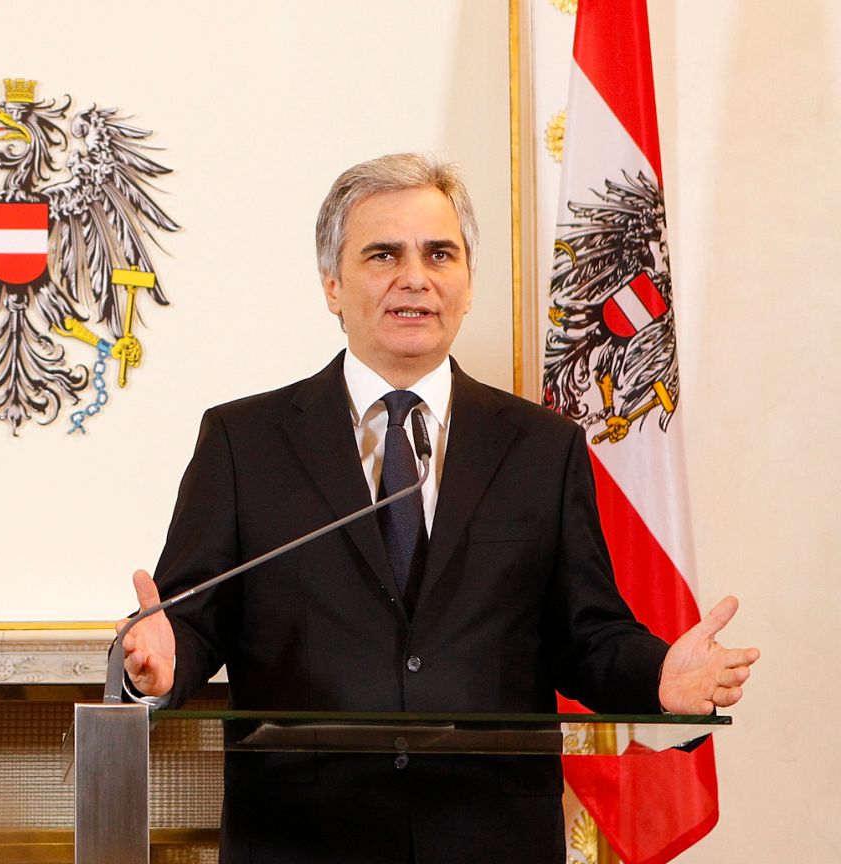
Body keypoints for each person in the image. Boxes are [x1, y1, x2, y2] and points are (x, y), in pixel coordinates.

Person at [117, 153, 759, 864]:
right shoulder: (245, 442)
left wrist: (658, 675)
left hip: (489, 834)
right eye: (383, 254)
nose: (415, 278)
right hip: (304, 838)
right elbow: (192, 620)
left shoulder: (544, 447)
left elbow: (586, 635)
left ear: (468, 284)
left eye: (439, 253)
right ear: (332, 285)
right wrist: (159, 663)